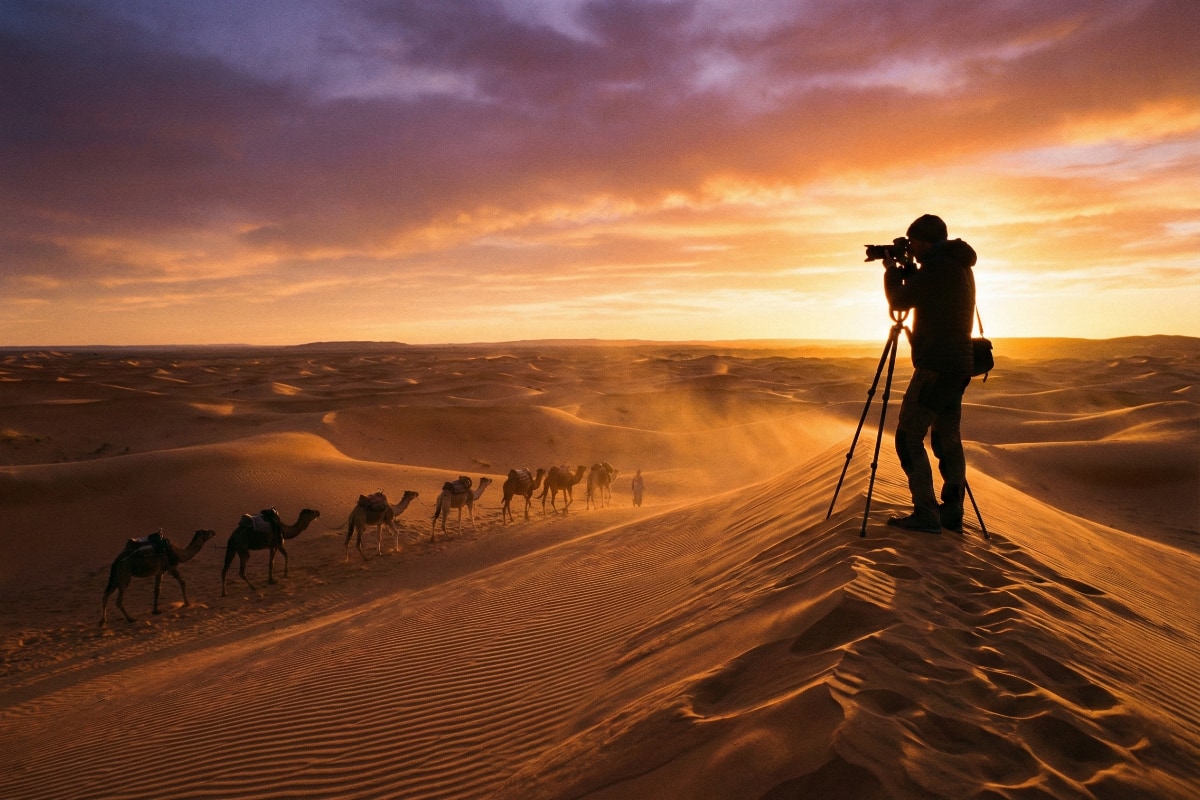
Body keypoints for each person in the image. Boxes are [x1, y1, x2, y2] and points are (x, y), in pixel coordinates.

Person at [883, 214, 976, 534]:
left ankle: (926, 513)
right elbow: (929, 294)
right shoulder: (956, 264)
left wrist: (892, 273)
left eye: (915, 242)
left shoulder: (939, 267)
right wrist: (910, 270)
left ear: (928, 241)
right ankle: (952, 511)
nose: (912, 248)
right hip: (957, 365)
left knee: (908, 436)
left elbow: (900, 300)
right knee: (946, 439)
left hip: (936, 365)